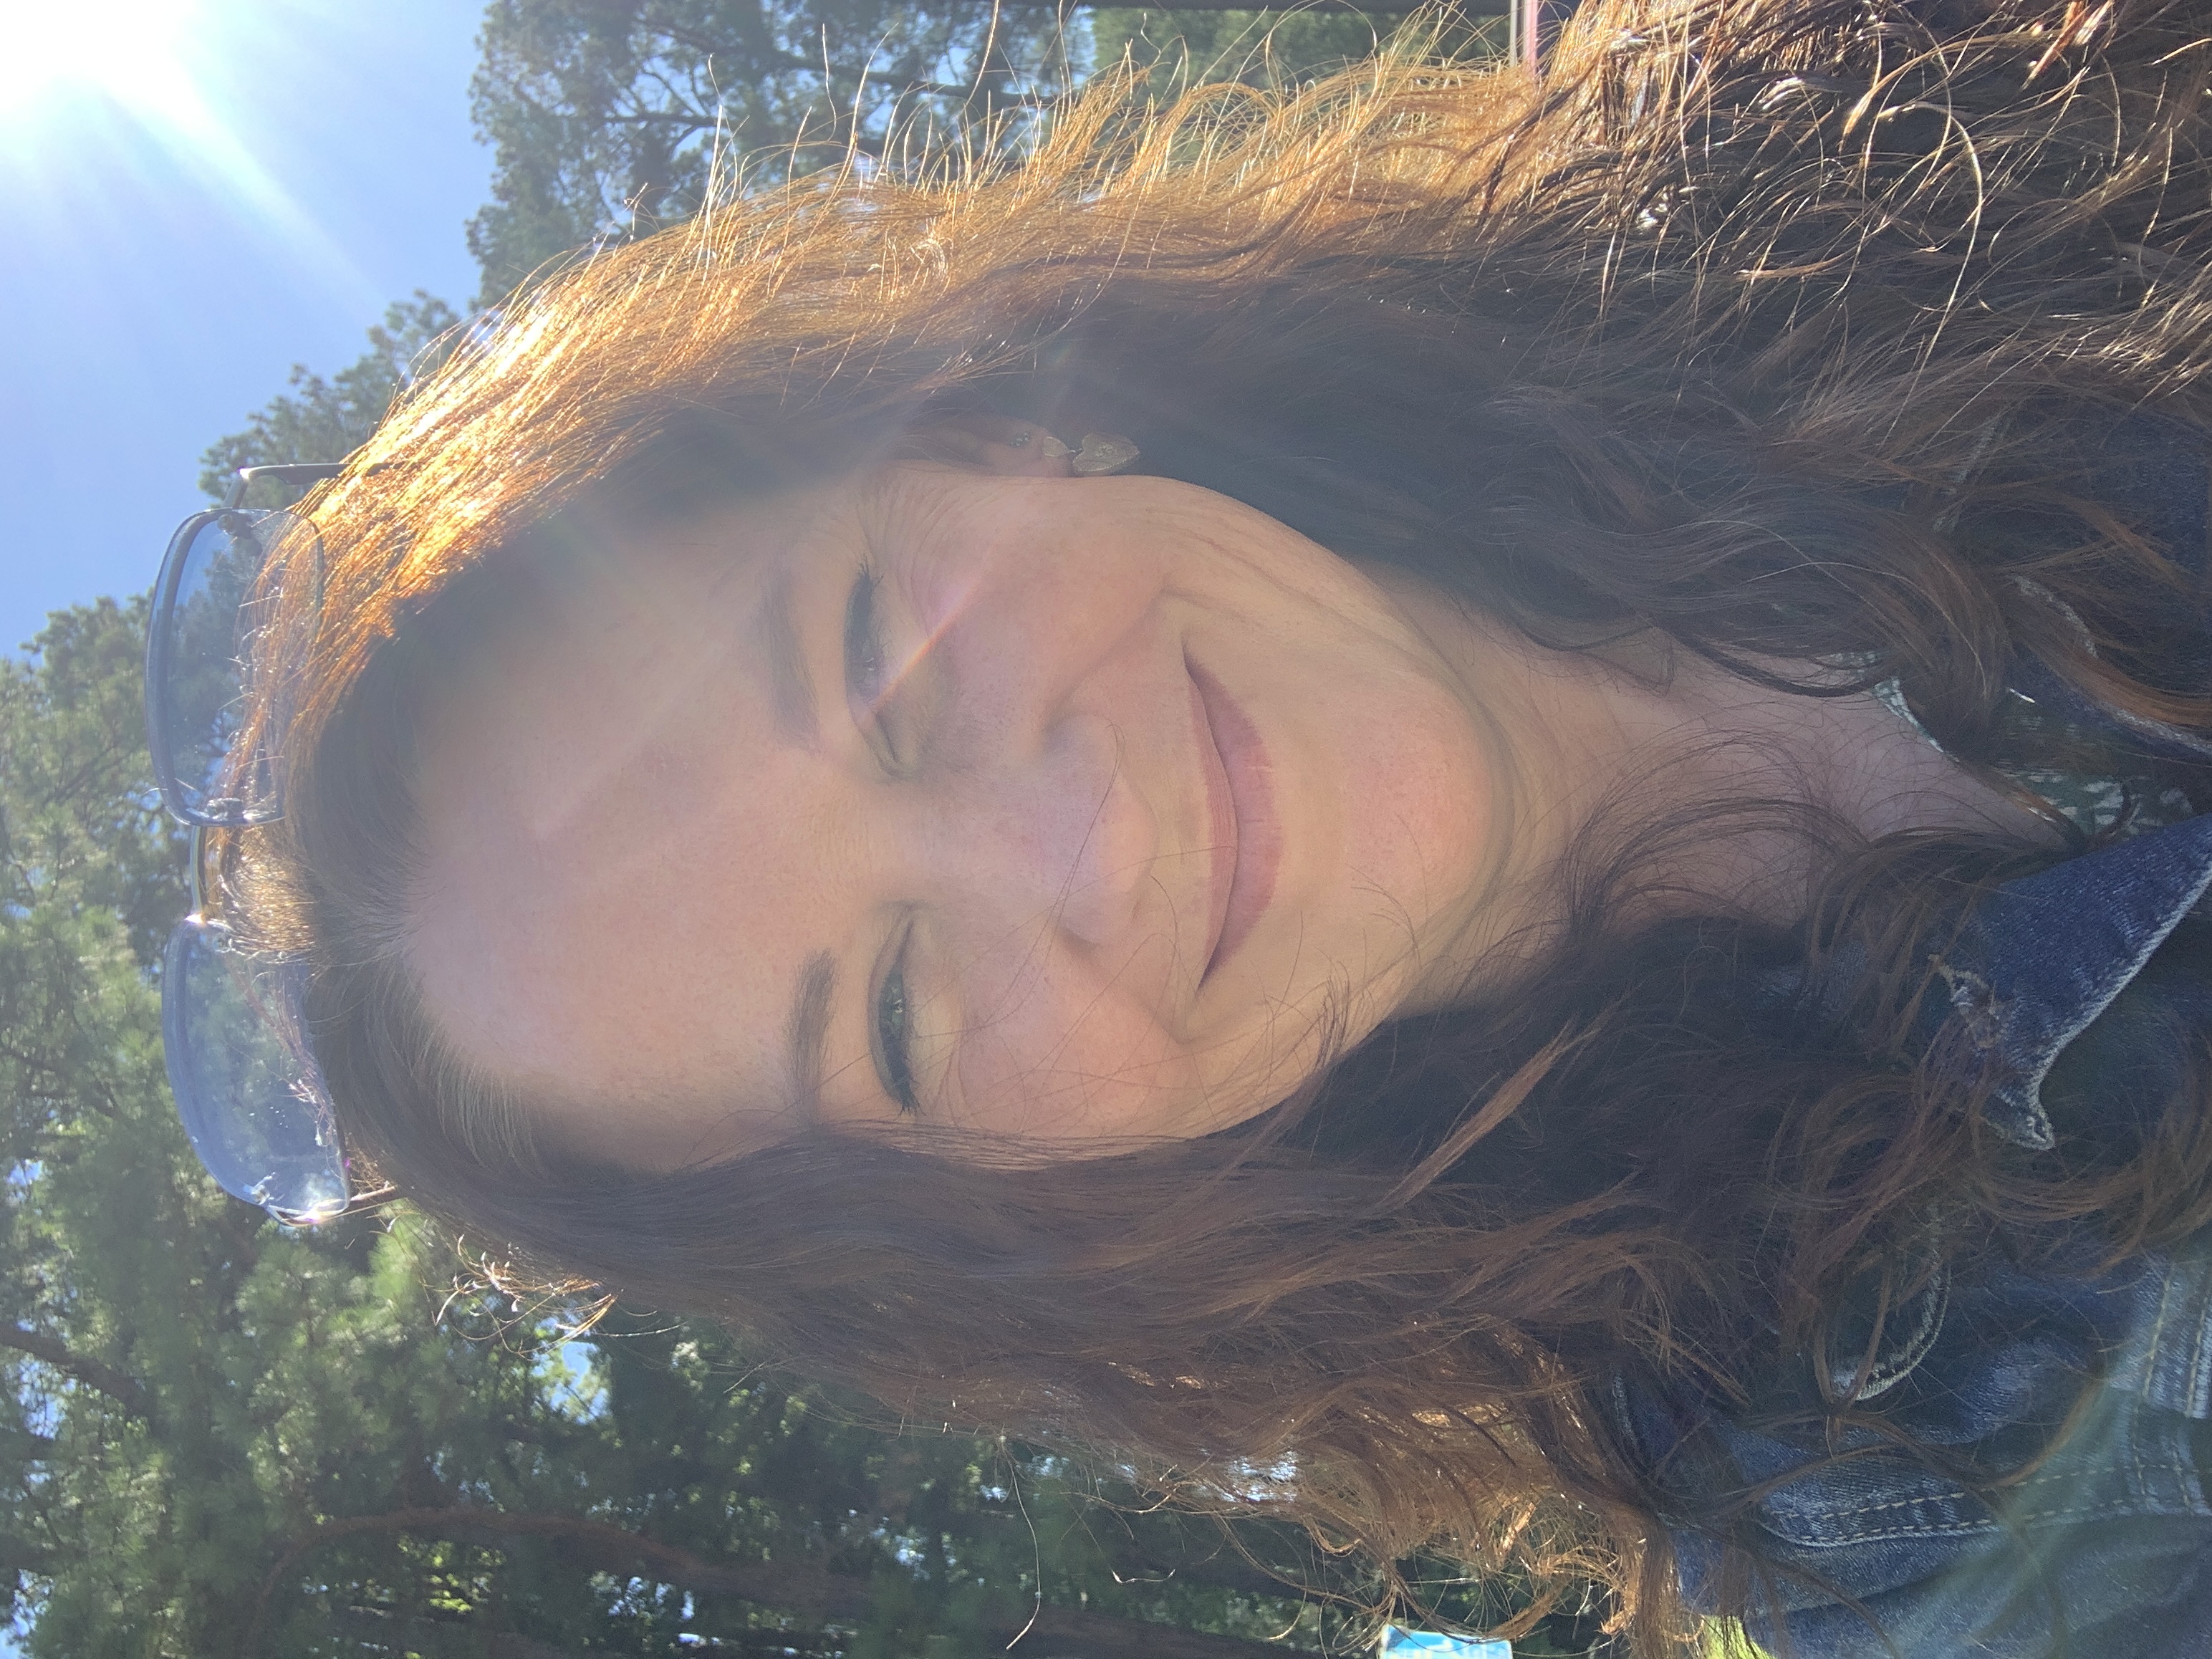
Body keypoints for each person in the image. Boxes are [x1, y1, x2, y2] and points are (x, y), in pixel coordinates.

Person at [148, 0, 2212, 1650]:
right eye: (894, 1013)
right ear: (996, 1210)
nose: (1079, 842)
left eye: (879, 653)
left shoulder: (1843, 61)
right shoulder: (1904, 1504)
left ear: (987, 421)